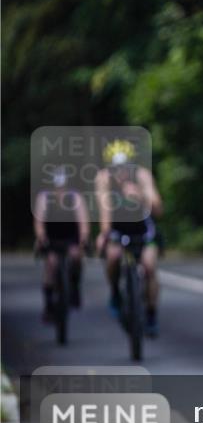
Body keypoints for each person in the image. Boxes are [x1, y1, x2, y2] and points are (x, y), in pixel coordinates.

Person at [95, 139, 164, 337]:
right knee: (113, 257)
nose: (121, 172)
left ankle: (151, 313)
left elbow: (158, 209)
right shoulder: (103, 178)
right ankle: (115, 292)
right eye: (116, 167)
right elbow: (104, 208)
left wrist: (141, 196)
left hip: (142, 229)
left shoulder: (142, 175)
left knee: (149, 266)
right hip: (118, 228)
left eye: (125, 166)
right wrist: (104, 234)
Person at [33, 166, 89, 321]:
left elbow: (83, 222)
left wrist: (83, 239)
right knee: (51, 264)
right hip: (52, 237)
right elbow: (39, 222)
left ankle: (75, 287)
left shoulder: (75, 198)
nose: (60, 190)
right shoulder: (44, 198)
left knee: (76, 257)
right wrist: (41, 237)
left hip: (71, 237)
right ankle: (49, 302)